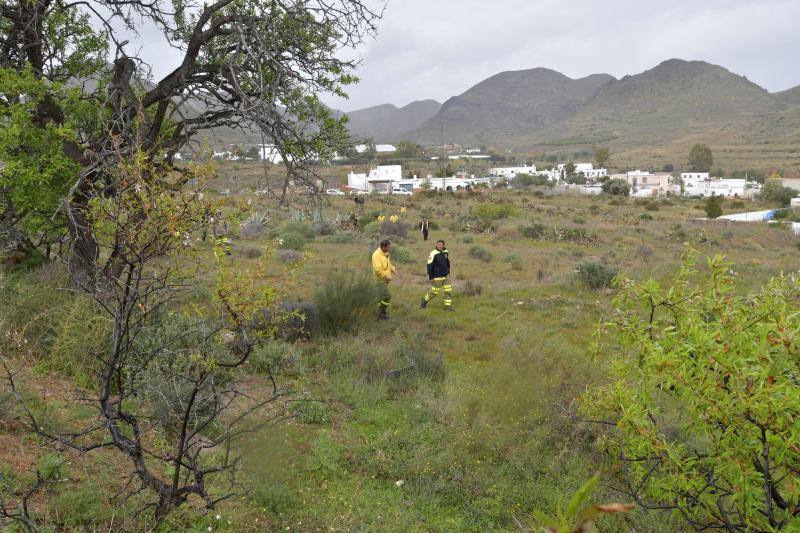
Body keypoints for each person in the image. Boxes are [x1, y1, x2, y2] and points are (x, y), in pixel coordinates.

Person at [420, 240, 452, 311]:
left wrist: (448, 271)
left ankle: (447, 307)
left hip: (446, 275)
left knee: (448, 291)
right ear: (436, 245)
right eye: (439, 244)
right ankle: (424, 301)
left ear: (444, 245)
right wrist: (431, 277)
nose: (440, 246)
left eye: (441, 245)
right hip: (437, 276)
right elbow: (429, 266)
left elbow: (447, 262)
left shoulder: (445, 252)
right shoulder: (433, 253)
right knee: (435, 291)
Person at [372, 239, 396, 320]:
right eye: (388, 247)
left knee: (381, 297)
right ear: (383, 247)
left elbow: (388, 264)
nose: (389, 249)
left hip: (386, 280)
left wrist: (393, 269)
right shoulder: (376, 255)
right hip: (380, 280)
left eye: (389, 247)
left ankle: (379, 312)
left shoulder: (385, 253)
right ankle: (382, 313)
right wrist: (386, 276)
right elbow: (377, 270)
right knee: (387, 296)